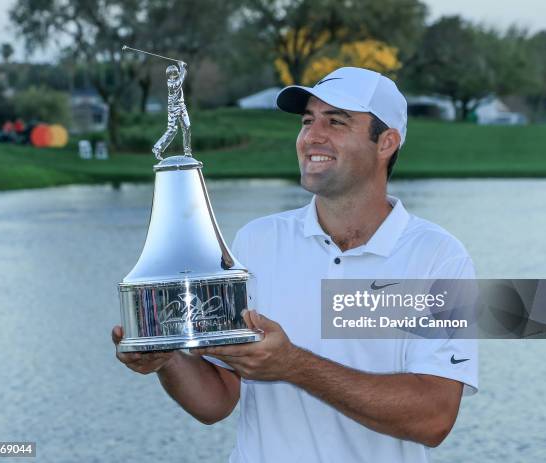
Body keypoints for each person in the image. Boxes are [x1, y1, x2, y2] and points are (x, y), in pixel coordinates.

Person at [113, 67, 478, 462]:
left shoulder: (439, 257)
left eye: (336, 122)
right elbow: (216, 400)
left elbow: (434, 418)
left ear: (386, 142)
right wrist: (167, 359)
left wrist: (294, 366)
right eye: (307, 121)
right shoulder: (256, 241)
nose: (312, 136)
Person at [152, 62, 191, 159]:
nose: (176, 75)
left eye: (177, 73)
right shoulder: (171, 84)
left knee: (187, 127)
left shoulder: (176, 79)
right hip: (173, 108)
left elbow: (182, 75)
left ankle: (187, 152)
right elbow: (182, 78)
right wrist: (181, 66)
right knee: (172, 130)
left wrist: (181, 67)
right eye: (175, 73)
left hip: (182, 106)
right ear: (171, 75)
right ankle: (157, 148)